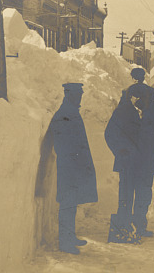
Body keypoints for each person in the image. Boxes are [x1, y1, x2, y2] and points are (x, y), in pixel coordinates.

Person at [105, 80, 154, 241]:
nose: (145, 101)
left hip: (146, 163)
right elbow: (110, 134)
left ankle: (140, 226)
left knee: (144, 196)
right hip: (128, 163)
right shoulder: (122, 112)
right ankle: (123, 228)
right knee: (126, 195)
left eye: (147, 97)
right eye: (141, 97)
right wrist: (122, 151)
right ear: (133, 98)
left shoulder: (152, 114)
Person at [46, 83, 98, 254]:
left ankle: (70, 237)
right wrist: (73, 160)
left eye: (80, 95)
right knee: (67, 204)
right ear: (70, 95)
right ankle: (65, 243)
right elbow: (61, 144)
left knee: (71, 203)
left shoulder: (71, 111)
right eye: (78, 95)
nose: (80, 98)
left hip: (73, 167)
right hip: (69, 168)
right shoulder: (65, 114)